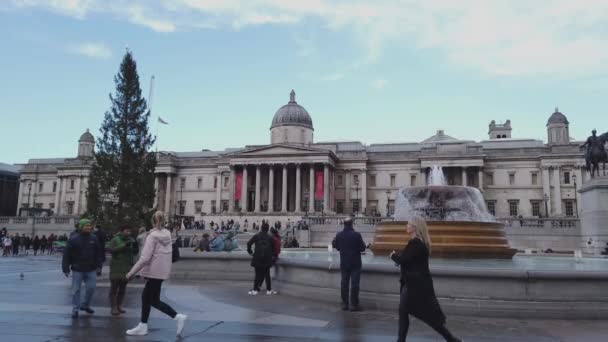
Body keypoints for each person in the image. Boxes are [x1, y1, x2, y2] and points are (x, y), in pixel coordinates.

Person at [390, 217, 461, 342]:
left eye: (409, 224)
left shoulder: (416, 243)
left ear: (415, 227)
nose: (406, 225)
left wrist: (393, 256)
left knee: (427, 316)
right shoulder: (416, 243)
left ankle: (452, 339)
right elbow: (409, 260)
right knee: (405, 311)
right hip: (414, 283)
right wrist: (399, 259)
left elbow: (403, 260)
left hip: (415, 285)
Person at [126, 211, 187, 337]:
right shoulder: (167, 233)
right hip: (161, 271)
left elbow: (145, 258)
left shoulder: (152, 236)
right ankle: (143, 325)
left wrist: (131, 273)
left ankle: (177, 316)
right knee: (147, 298)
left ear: (152, 222)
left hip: (154, 271)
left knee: (153, 300)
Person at [62, 219, 104, 319]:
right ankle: (75, 309)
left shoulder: (94, 238)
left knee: (91, 288)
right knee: (76, 290)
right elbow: (66, 254)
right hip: (77, 269)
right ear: (81, 227)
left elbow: (98, 253)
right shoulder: (73, 239)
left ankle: (85, 305)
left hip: (91, 268)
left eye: (89, 226)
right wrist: (65, 268)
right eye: (86, 226)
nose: (88, 227)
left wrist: (99, 266)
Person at [333, 217, 366, 312]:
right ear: (352, 224)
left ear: (344, 224)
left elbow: (338, 247)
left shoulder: (339, 235)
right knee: (355, 284)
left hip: (344, 263)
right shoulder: (357, 235)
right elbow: (362, 248)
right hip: (355, 263)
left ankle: (344, 304)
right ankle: (354, 305)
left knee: (344, 283)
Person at [109, 226, 137, 316]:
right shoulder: (115, 239)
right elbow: (111, 250)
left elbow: (133, 254)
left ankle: (119, 305)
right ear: (121, 231)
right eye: (127, 231)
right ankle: (113, 307)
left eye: (130, 231)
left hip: (126, 267)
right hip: (116, 267)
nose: (128, 233)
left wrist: (135, 247)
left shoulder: (131, 240)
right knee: (114, 288)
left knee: (123, 288)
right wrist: (124, 245)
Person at [246, 224, 276, 295]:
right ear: (268, 229)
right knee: (267, 274)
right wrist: (271, 254)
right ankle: (268, 290)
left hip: (257, 257)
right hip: (267, 258)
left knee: (257, 274)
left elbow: (248, 243)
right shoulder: (270, 237)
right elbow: (273, 248)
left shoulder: (256, 236)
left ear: (261, 228)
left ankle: (255, 290)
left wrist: (250, 252)